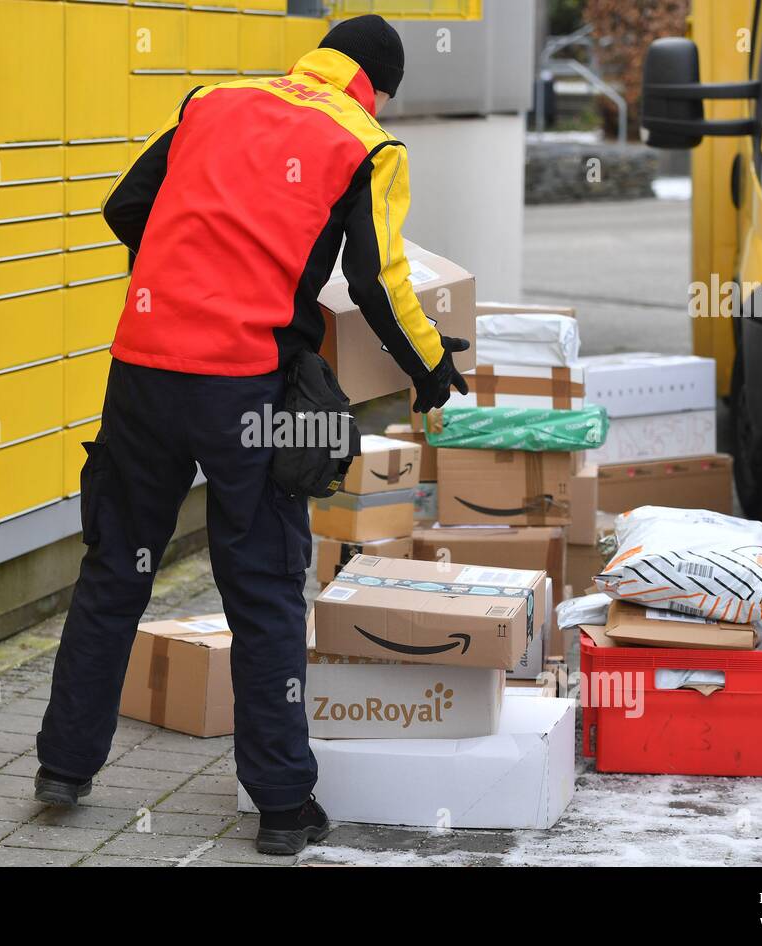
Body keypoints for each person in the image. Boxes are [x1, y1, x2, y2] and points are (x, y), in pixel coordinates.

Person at [34, 14, 469, 856]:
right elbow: (378, 281)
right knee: (263, 588)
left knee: (115, 568)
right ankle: (281, 809)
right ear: (376, 85)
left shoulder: (214, 99)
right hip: (244, 388)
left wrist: (186, 283)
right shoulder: (367, 143)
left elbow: (126, 204)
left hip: (143, 369)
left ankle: (63, 768)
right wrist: (430, 371)